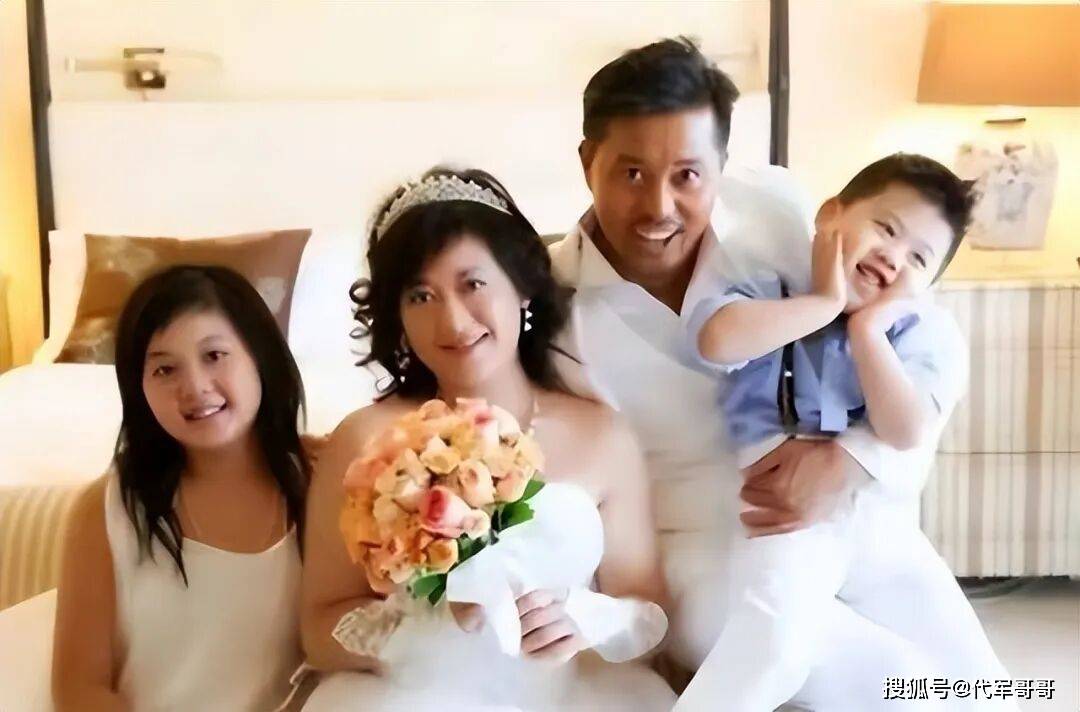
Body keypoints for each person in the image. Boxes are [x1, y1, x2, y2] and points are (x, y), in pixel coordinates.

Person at [549, 37, 1005, 710]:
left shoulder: (776, 207)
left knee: (991, 686)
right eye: (632, 173)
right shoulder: (550, 306)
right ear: (588, 160)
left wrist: (854, 459)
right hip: (705, 556)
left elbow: (926, 331)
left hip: (853, 516)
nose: (660, 207)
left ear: (721, 163)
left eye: (687, 175)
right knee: (909, 688)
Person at [299, 167, 676, 711]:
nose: (452, 320)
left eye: (472, 284)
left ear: (521, 288)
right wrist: (423, 629)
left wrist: (588, 620)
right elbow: (318, 627)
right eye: (420, 296)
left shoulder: (602, 436)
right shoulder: (365, 440)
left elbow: (650, 617)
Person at [676, 153, 1014, 711]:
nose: (893, 257)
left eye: (918, 258)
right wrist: (825, 303)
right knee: (773, 645)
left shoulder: (919, 330)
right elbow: (717, 342)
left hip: (879, 523)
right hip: (784, 513)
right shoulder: (771, 286)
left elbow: (905, 430)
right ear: (831, 215)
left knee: (982, 679)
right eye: (886, 229)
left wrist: (869, 331)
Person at [52, 265, 310, 711]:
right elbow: (79, 688)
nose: (194, 387)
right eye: (165, 369)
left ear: (260, 358)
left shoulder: (321, 486)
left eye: (214, 355)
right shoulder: (106, 511)